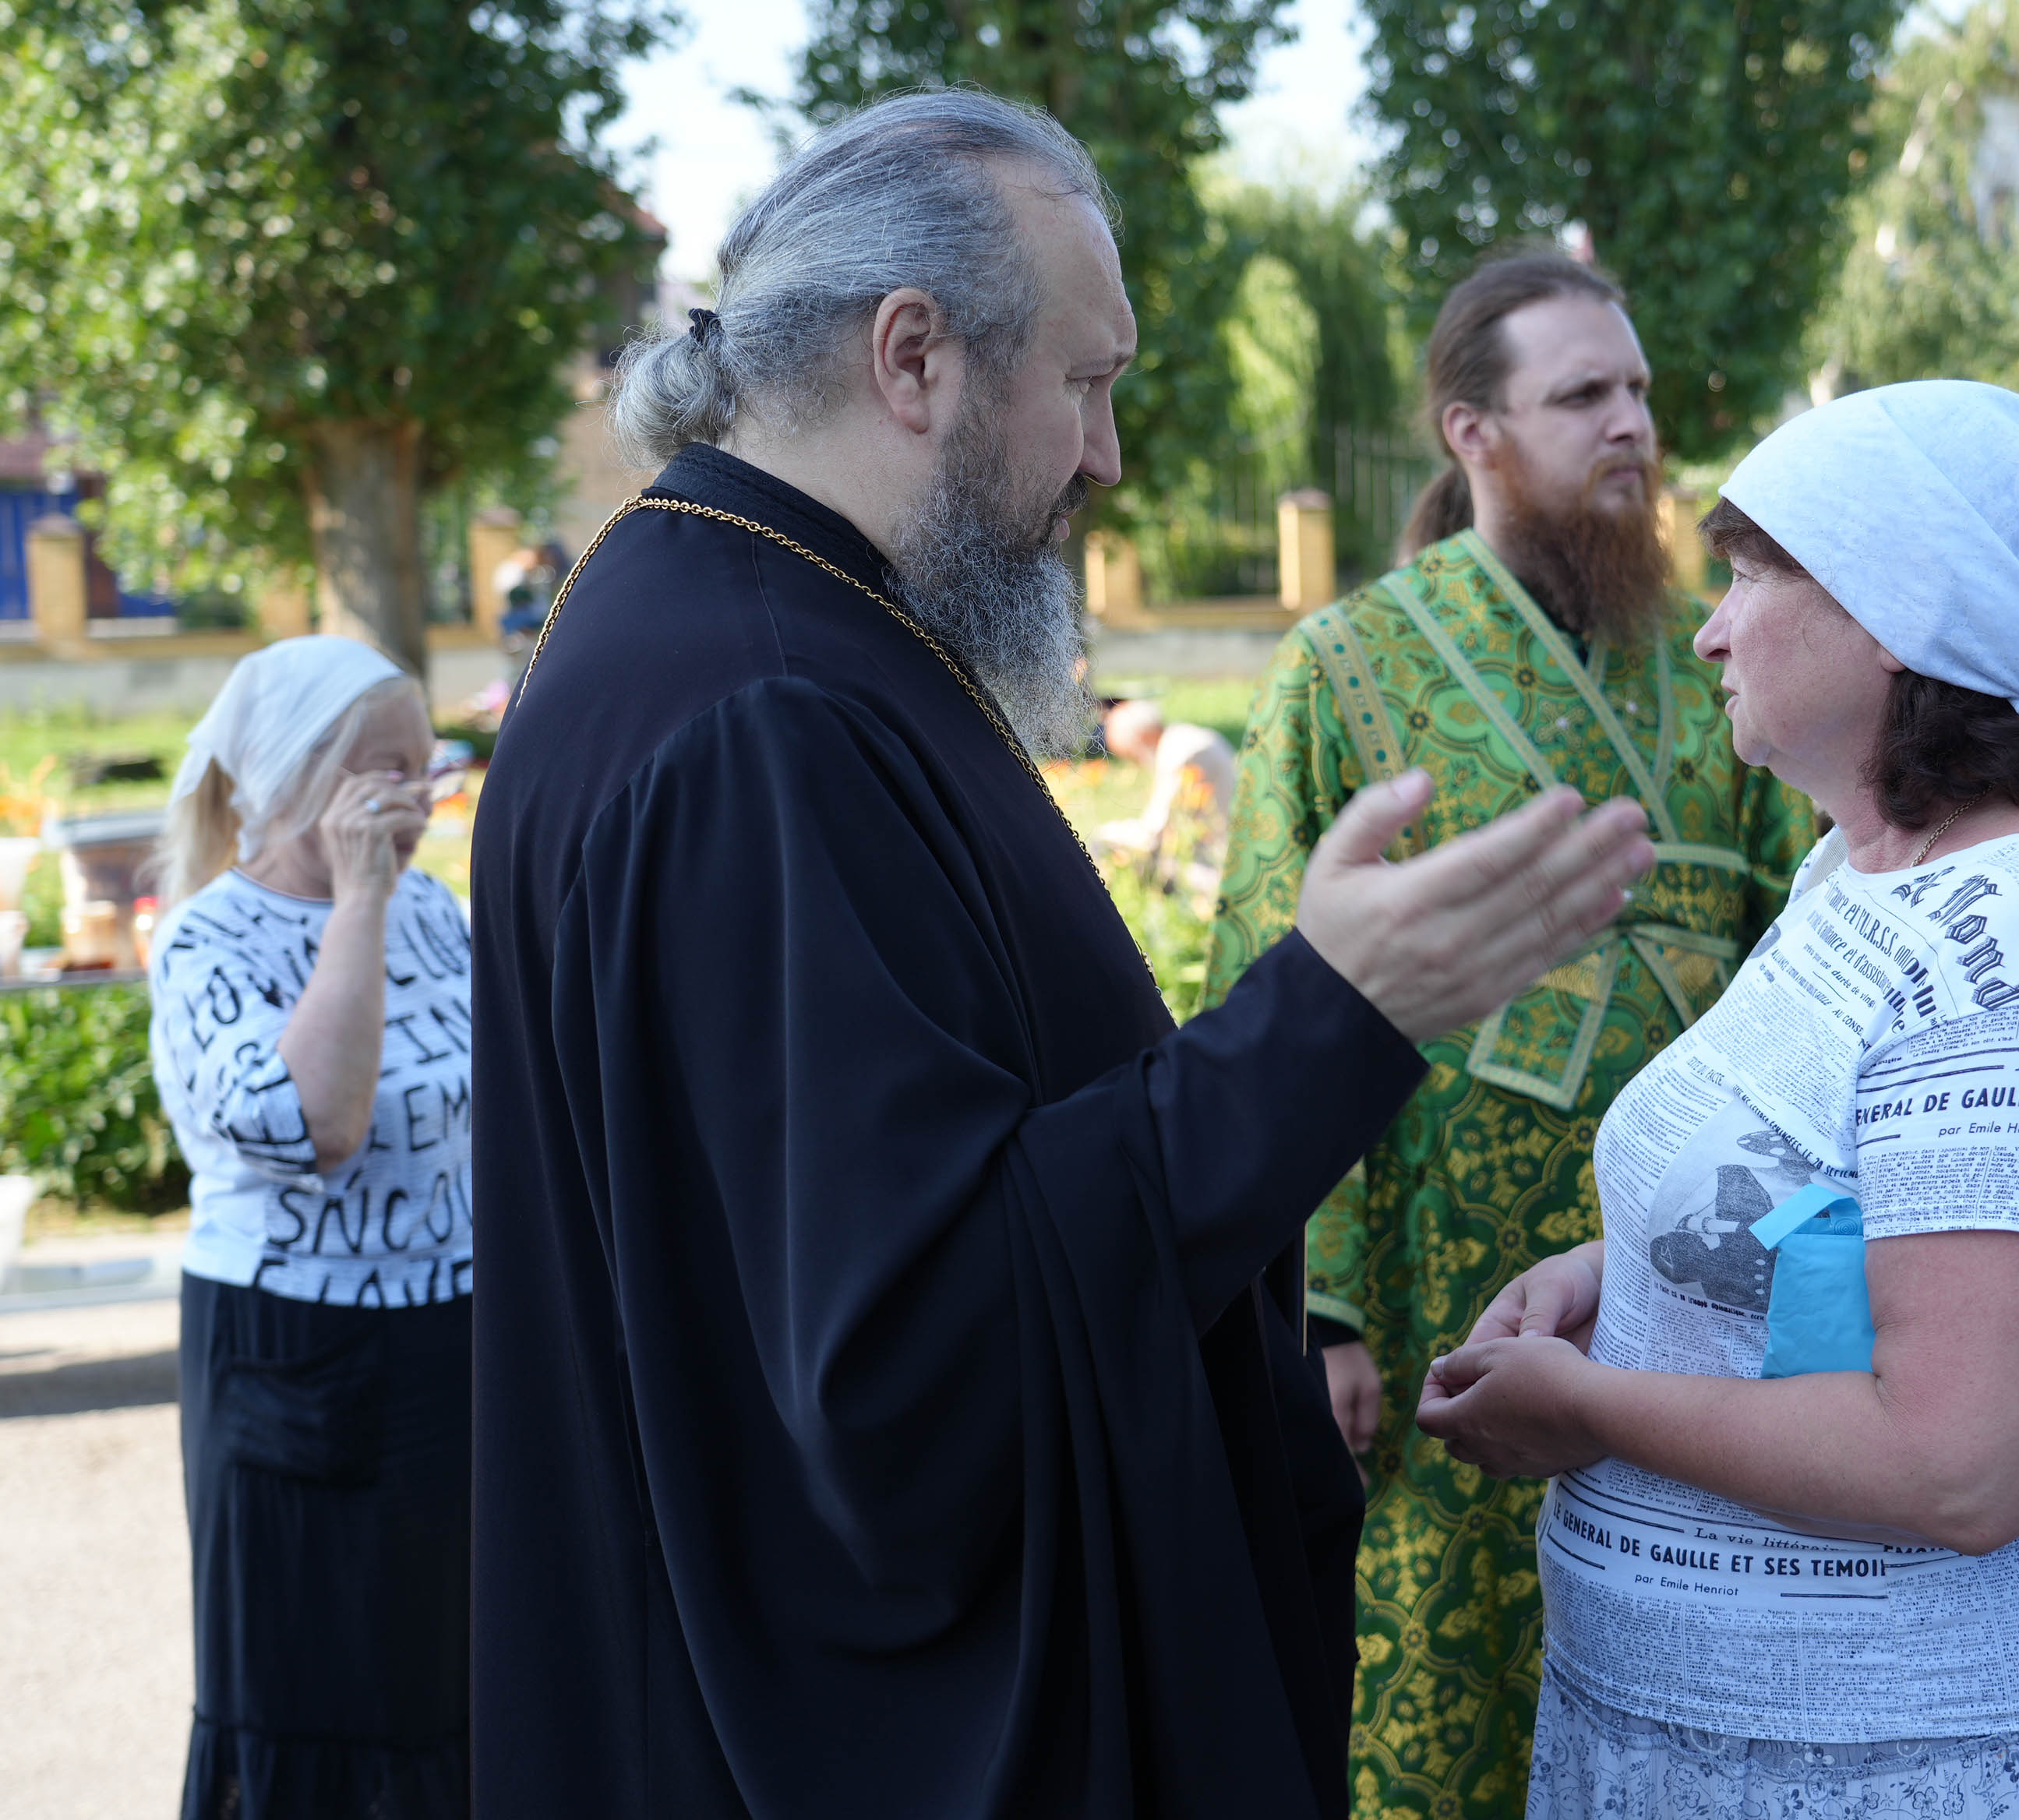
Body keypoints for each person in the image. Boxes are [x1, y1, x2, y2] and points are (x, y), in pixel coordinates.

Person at [467, 90, 1655, 1820]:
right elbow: (911, 1354)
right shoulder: (766, 712)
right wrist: (1325, 1024)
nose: (1105, 457)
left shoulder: (724, 612)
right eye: (1087, 383)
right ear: (913, 357)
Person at [1415, 380, 2019, 1817]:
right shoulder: (1863, 866)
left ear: (1899, 609)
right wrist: (1627, 1269)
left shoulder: (2016, 954)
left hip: (1908, 1762)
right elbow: (1845, 1209)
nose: (1711, 628)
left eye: (1751, 575)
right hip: (1731, 1742)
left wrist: (1591, 1404)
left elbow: (1962, 1463)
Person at [1205, 251, 1817, 1820]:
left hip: (1690, 1261)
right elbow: (1273, 981)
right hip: (1438, 1276)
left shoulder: (1718, 654)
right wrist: (1319, 1308)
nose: (1633, 426)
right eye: (1583, 394)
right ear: (1471, 432)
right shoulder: (1344, 669)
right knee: (1445, 1672)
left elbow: (1800, 949)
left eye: (1640, 392)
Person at [146, 636, 470, 1816]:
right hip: (294, 1356)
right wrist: (360, 900)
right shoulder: (206, 941)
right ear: (295, 780)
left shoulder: (433, 908)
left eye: (426, 769)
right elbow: (316, 1121)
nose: (416, 799)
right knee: (314, 1684)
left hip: (447, 1342)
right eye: (387, 770)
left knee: (439, 1679)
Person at [1092, 697, 1235, 896]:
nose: (1138, 763)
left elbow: (1153, 835)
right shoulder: (1183, 738)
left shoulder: (1182, 754)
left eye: (1132, 756)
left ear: (1142, 738)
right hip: (1211, 850)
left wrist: (1104, 835)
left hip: (1215, 865)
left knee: (1104, 844)